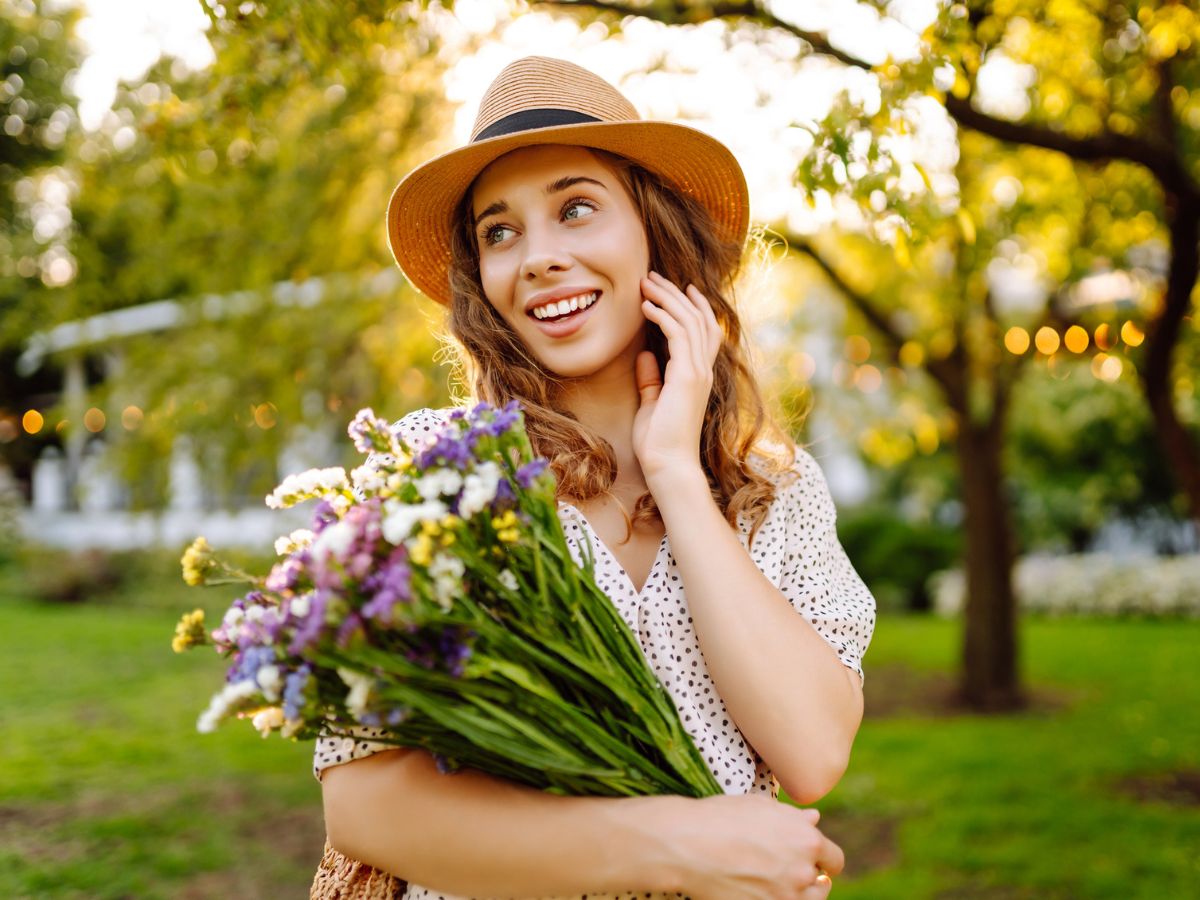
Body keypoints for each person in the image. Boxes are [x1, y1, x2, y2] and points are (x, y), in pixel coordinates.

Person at [312, 55, 876, 900]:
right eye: (500, 231)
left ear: (655, 229)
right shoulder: (439, 474)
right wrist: (675, 844)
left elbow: (813, 753)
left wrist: (678, 475)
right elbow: (365, 806)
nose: (538, 257)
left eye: (576, 209)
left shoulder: (775, 492)